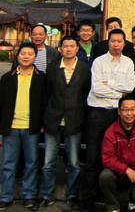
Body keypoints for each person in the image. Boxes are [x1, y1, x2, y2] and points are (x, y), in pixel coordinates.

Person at [80, 29, 135, 212]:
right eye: (113, 41)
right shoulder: (99, 61)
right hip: (98, 113)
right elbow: (96, 88)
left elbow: (130, 87)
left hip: (116, 115)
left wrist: (109, 84)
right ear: (108, 42)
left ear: (124, 44)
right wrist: (119, 92)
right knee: (93, 157)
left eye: (119, 41)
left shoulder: (128, 62)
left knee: (115, 156)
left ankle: (108, 196)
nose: (116, 44)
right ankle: (86, 201)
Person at [37, 36, 91, 211]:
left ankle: (72, 195)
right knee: (48, 162)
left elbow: (86, 95)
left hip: (74, 120)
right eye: (65, 46)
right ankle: (47, 195)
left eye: (72, 46)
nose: (68, 49)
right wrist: (42, 120)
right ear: (60, 49)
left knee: (74, 163)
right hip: (53, 120)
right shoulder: (53, 68)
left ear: (77, 49)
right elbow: (45, 94)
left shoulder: (84, 69)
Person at [0, 42, 47, 211]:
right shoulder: (7, 77)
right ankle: (6, 197)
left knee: (32, 163)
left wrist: (43, 124)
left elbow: (45, 103)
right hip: (11, 127)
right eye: (23, 53)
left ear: (35, 57)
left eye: (30, 54)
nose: (26, 57)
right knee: (8, 164)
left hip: (32, 127)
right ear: (18, 56)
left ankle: (29, 196)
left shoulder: (41, 78)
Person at [99, 97, 135, 212]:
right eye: (125, 110)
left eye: (133, 109)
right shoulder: (110, 132)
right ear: (119, 111)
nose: (129, 113)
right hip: (119, 173)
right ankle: (113, 206)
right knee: (105, 176)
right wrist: (126, 170)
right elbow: (107, 158)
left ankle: (133, 198)